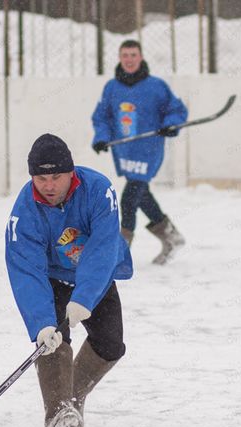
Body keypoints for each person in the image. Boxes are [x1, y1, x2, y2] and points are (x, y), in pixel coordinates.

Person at [5, 133, 133, 427]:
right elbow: (26, 271)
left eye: (56, 177)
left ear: (71, 172)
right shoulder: (24, 213)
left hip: (95, 275)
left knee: (110, 344)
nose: (48, 186)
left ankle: (72, 397)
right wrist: (42, 323)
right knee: (52, 342)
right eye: (41, 178)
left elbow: (103, 247)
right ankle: (59, 416)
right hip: (52, 277)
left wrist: (84, 298)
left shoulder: (98, 189)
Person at [91, 39, 188, 265]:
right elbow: (102, 116)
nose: (129, 59)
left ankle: (120, 254)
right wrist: (101, 138)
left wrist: (170, 124)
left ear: (141, 57)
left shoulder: (156, 86)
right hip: (125, 151)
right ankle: (171, 237)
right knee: (141, 195)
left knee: (128, 199)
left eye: (133, 55)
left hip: (148, 150)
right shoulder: (112, 87)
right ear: (119, 58)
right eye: (125, 55)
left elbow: (176, 109)